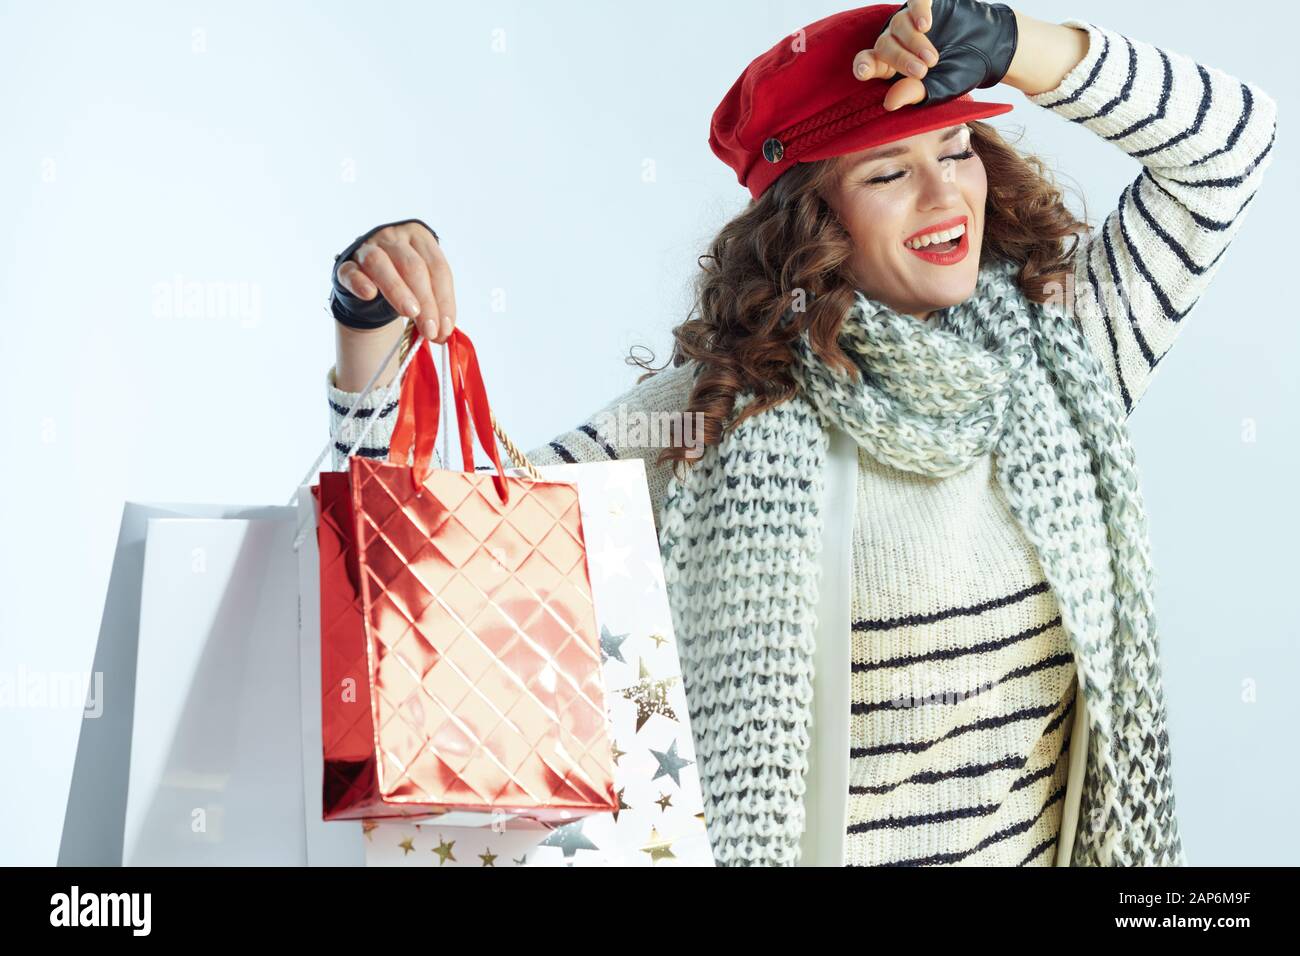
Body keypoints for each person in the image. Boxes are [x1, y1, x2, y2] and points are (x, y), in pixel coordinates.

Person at [323, 2, 1277, 866]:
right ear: (815, 217)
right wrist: (371, 330)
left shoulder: (1071, 349)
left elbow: (1233, 142)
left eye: (956, 150)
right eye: (889, 170)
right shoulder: (711, 410)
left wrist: (1013, 45)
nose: (946, 197)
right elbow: (417, 567)